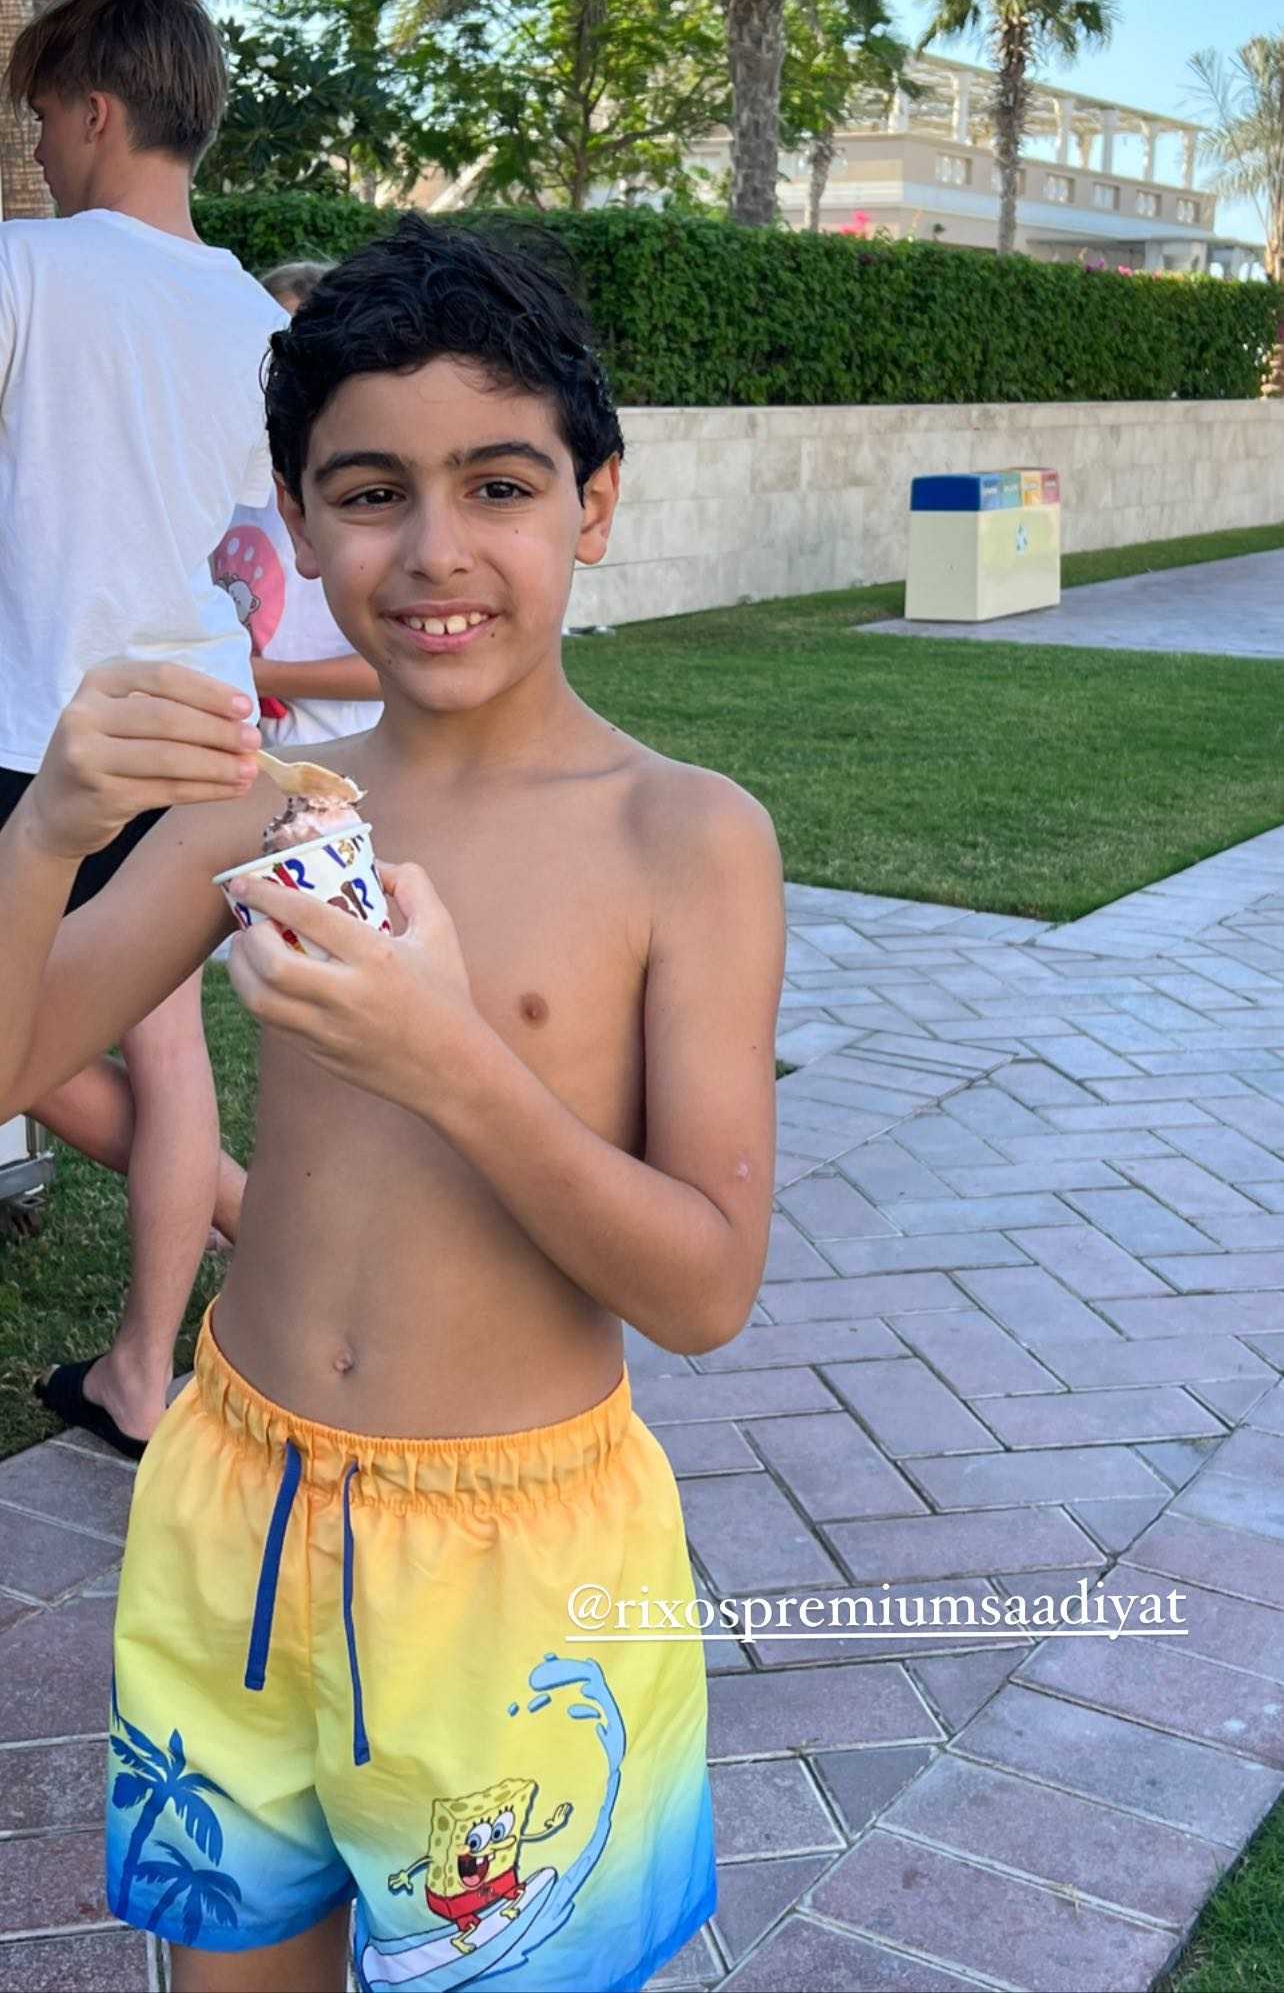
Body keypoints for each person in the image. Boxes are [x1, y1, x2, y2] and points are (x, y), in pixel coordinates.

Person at [0, 217, 785, 1993]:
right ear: (295, 520)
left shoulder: (683, 838)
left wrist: (451, 1059)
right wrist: (45, 833)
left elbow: (704, 1286)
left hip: (519, 1564)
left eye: (498, 484)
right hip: (237, 1501)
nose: (433, 550)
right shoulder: (264, 805)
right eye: (369, 493)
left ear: (591, 502)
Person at [0, 0, 283, 1456]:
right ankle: (144, 1364)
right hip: (209, 732)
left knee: (37, 1042)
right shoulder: (255, 317)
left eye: (44, 116)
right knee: (157, 1051)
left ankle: (193, 1299)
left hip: (49, 733)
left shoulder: (26, 269)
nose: (39, 148)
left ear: (97, 111)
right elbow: (246, 530)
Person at [212, 260, 383, 750]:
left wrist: (259, 676)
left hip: (349, 754)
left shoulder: (365, 494)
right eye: (273, 350)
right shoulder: (226, 483)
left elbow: (399, 665)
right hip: (250, 759)